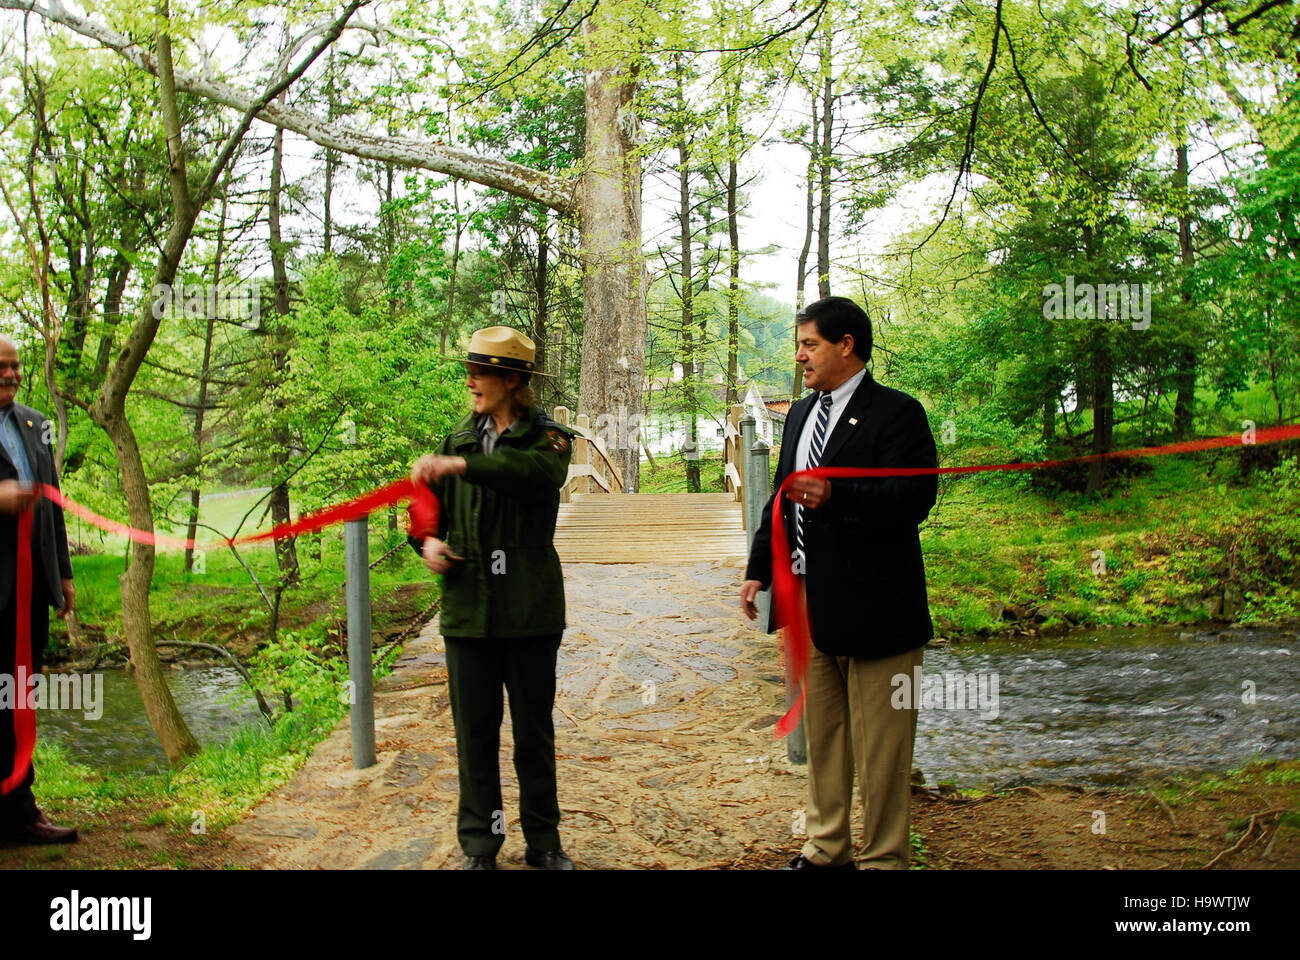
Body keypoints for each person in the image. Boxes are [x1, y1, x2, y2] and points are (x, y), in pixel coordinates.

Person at [740, 296, 937, 870]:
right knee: (825, 740)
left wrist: (839, 496)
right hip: (812, 607)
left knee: (881, 750)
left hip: (880, 610)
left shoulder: (898, 414)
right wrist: (758, 570)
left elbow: (915, 499)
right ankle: (826, 850)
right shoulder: (800, 414)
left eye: (809, 344)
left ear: (846, 345)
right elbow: (780, 497)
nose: (799, 356)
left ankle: (883, 860)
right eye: (799, 344)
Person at [409, 325, 576, 870]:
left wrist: (464, 466)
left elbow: (531, 477)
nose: (471, 382)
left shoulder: (547, 439)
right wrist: (429, 543)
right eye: (469, 371)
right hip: (468, 616)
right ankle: (480, 847)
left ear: (512, 380)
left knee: (533, 735)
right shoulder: (454, 440)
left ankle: (544, 844)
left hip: (529, 612)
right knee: (474, 738)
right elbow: (421, 510)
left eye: (481, 372)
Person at [0, 334, 78, 845]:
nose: (10, 374)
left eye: (15, 365)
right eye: (0, 367)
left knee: (19, 699)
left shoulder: (36, 423)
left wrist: (64, 575)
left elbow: (51, 507)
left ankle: (19, 813)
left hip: (30, 592)